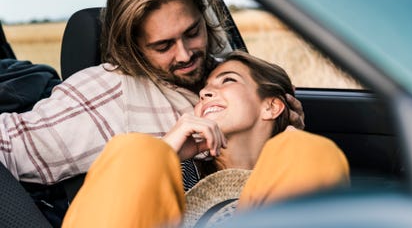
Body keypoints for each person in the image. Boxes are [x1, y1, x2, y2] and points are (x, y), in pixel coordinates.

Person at [0, 0, 304, 218]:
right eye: (163, 46)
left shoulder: (219, 70)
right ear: (134, 46)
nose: (185, 54)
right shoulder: (104, 92)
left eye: (192, 32)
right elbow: (7, 147)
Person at [62, 51, 350, 228]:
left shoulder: (302, 161)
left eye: (228, 80)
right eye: (204, 89)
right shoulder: (177, 173)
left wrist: (293, 139)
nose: (206, 93)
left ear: (271, 106)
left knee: (309, 151)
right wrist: (168, 149)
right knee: (133, 150)